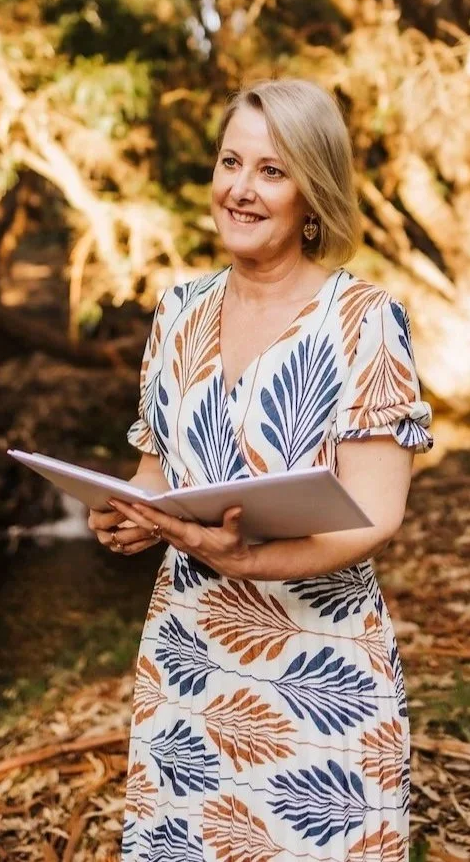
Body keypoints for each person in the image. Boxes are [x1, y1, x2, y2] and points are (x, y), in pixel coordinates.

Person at [89, 78, 433, 861]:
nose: (240, 189)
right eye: (229, 162)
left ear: (313, 192)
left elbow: (378, 515)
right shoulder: (177, 310)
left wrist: (251, 557)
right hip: (190, 658)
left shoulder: (365, 321)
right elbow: (156, 471)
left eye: (271, 171)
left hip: (318, 673)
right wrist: (122, 509)